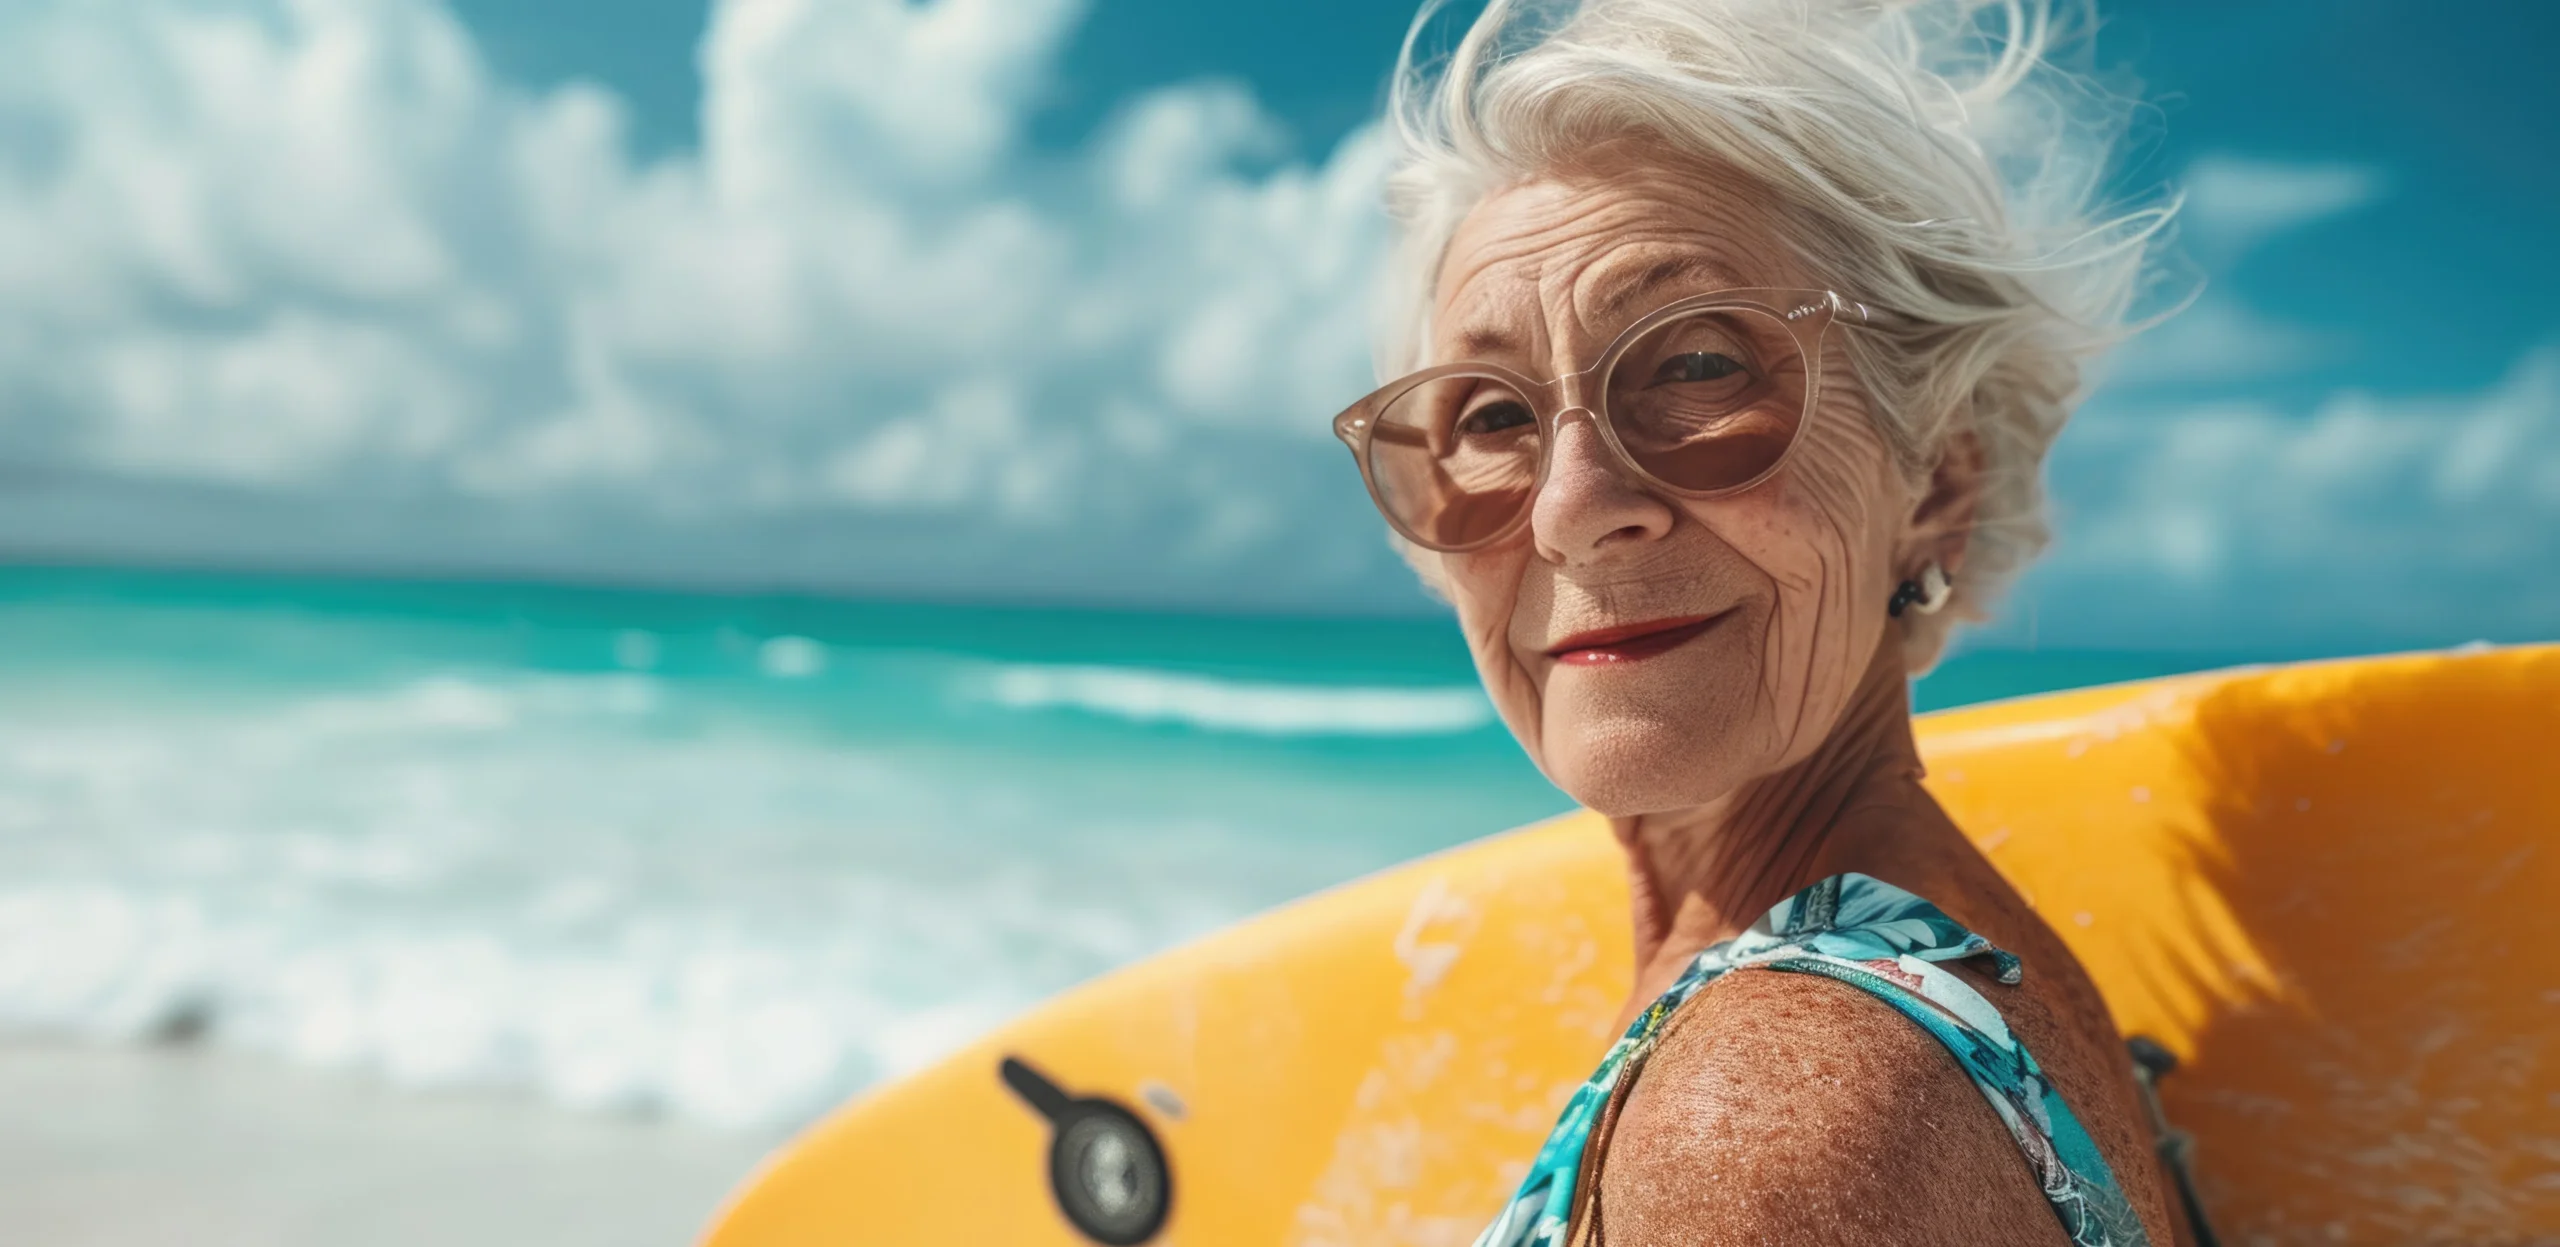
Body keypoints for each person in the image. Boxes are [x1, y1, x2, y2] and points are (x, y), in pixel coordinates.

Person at [1330, 0, 2189, 1242]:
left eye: (1696, 366)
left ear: (1935, 479)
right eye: (1492, 418)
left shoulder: (1762, 1119)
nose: (1572, 511)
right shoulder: (1924, 984)